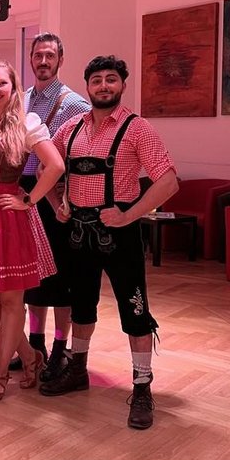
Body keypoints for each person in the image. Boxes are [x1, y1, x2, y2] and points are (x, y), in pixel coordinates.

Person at [41, 55, 178, 430]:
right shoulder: (70, 128)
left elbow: (168, 181)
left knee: (135, 310)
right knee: (81, 306)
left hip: (121, 235)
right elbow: (47, 168)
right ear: (87, 86)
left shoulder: (138, 129)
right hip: (78, 234)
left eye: (111, 79)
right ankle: (78, 370)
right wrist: (57, 204)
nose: (104, 85)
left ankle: (142, 386)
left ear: (122, 85)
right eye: (97, 79)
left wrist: (129, 215)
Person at [0, 59, 65, 404]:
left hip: (8, 217)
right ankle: (30, 354)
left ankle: (0, 375)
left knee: (10, 299)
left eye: (2, 83)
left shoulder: (25, 123)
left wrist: (28, 200)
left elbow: (56, 165)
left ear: (13, 87)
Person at [12, 32, 90, 382]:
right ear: (30, 59)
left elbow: (81, 155)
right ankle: (35, 343)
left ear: (60, 60)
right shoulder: (21, 100)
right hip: (25, 192)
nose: (43, 61)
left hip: (55, 195)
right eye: (38, 55)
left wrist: (67, 197)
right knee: (33, 275)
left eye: (49, 56)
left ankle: (60, 347)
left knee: (60, 276)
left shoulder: (75, 104)